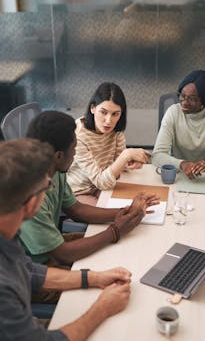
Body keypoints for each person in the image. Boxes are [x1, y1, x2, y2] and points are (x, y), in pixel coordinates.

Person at [0, 138, 132, 341]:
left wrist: (93, 278)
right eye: (46, 187)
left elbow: (29, 271)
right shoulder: (4, 291)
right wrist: (102, 309)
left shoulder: (8, 237)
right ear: (31, 203)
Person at [19, 110, 158, 266]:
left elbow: (76, 209)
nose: (74, 154)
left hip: (53, 249)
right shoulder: (29, 195)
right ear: (58, 155)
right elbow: (63, 255)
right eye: (73, 149)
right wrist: (115, 231)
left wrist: (127, 212)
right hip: (32, 268)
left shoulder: (54, 169)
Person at [67, 82, 150, 205]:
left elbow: (116, 165)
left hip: (101, 187)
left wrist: (129, 162)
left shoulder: (116, 131)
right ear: (92, 108)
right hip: (78, 192)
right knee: (116, 214)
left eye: (115, 114)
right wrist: (126, 155)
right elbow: (101, 181)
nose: (108, 121)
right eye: (103, 112)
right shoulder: (78, 135)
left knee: (137, 202)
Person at [152, 70, 205, 179]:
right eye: (182, 96)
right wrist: (182, 164)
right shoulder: (173, 112)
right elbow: (157, 155)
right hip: (180, 176)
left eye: (192, 99)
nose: (184, 102)